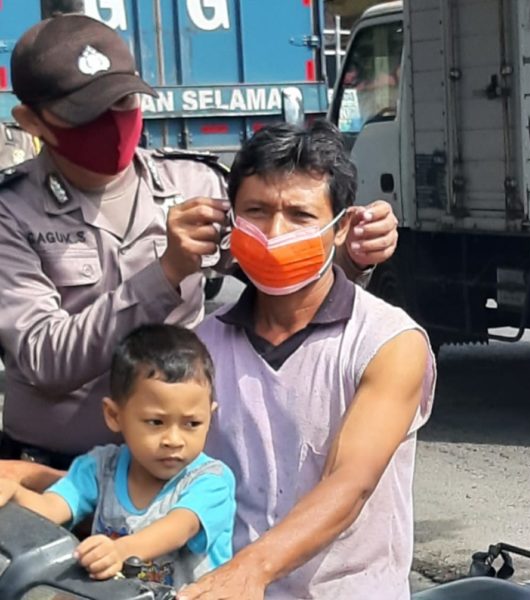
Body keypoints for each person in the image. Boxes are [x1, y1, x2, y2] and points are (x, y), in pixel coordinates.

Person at [0, 13, 398, 488]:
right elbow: (45, 359)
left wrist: (349, 254)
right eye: (86, 112)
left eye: (122, 101)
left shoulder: (193, 183)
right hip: (52, 472)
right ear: (31, 121)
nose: (110, 121)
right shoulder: (12, 212)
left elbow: (283, 285)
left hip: (175, 471)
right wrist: (166, 272)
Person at [179, 120, 436, 600]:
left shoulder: (387, 340)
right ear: (231, 221)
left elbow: (351, 482)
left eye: (300, 215)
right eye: (256, 212)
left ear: (341, 229)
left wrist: (251, 570)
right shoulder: (201, 347)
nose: (274, 233)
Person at [0, 324, 236, 589]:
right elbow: (52, 508)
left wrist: (120, 550)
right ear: (114, 415)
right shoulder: (101, 468)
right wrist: (15, 494)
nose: (174, 440)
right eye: (156, 422)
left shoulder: (210, 481)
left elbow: (180, 527)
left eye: (192, 424)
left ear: (210, 417)